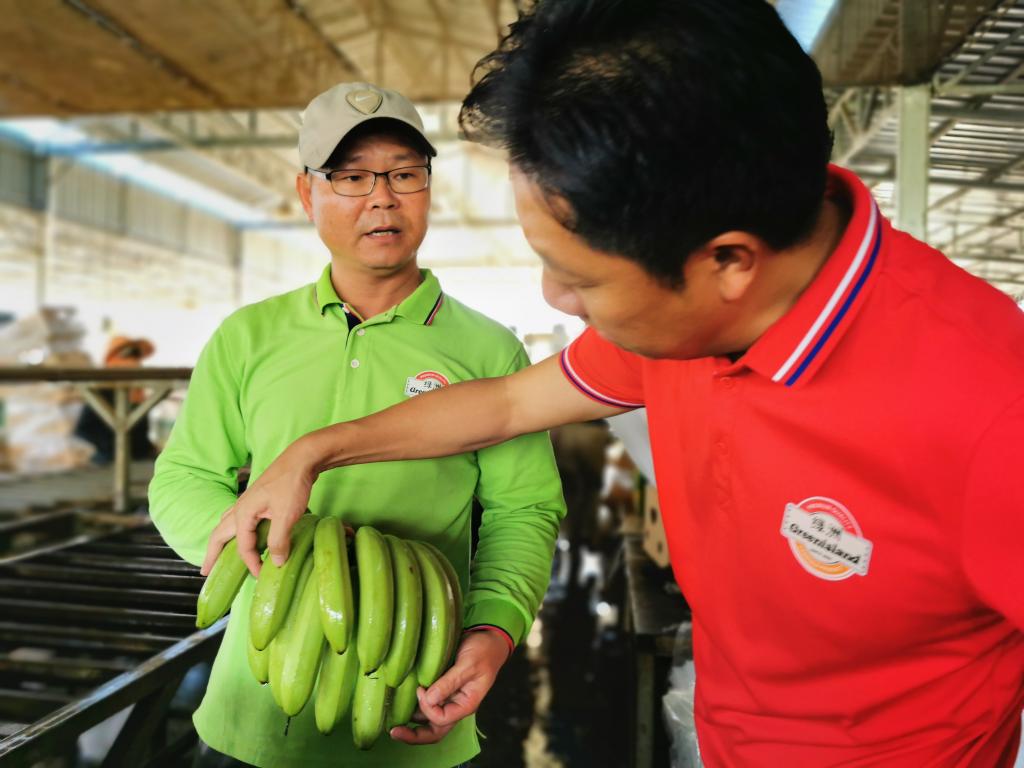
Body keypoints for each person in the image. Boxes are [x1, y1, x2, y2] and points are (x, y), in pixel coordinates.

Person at [218, 1, 1024, 765]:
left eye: (580, 280)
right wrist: (315, 453)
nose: (552, 300)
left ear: (728, 262)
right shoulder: (677, 326)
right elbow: (505, 403)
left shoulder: (993, 416)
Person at [149, 81, 565, 768]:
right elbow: (185, 479)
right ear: (308, 194)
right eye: (352, 176)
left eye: (405, 174)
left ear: (428, 189)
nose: (382, 197)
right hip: (250, 710)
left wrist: (493, 630)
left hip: (415, 699)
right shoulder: (248, 337)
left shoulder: (487, 350)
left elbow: (525, 511)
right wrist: (289, 569)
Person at [73, 335, 157, 464]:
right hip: (111, 461)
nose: (133, 363)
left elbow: (139, 433)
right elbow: (84, 430)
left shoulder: (137, 391)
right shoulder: (102, 391)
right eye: (127, 357)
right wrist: (115, 447)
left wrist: (147, 448)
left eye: (135, 357)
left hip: (139, 460)